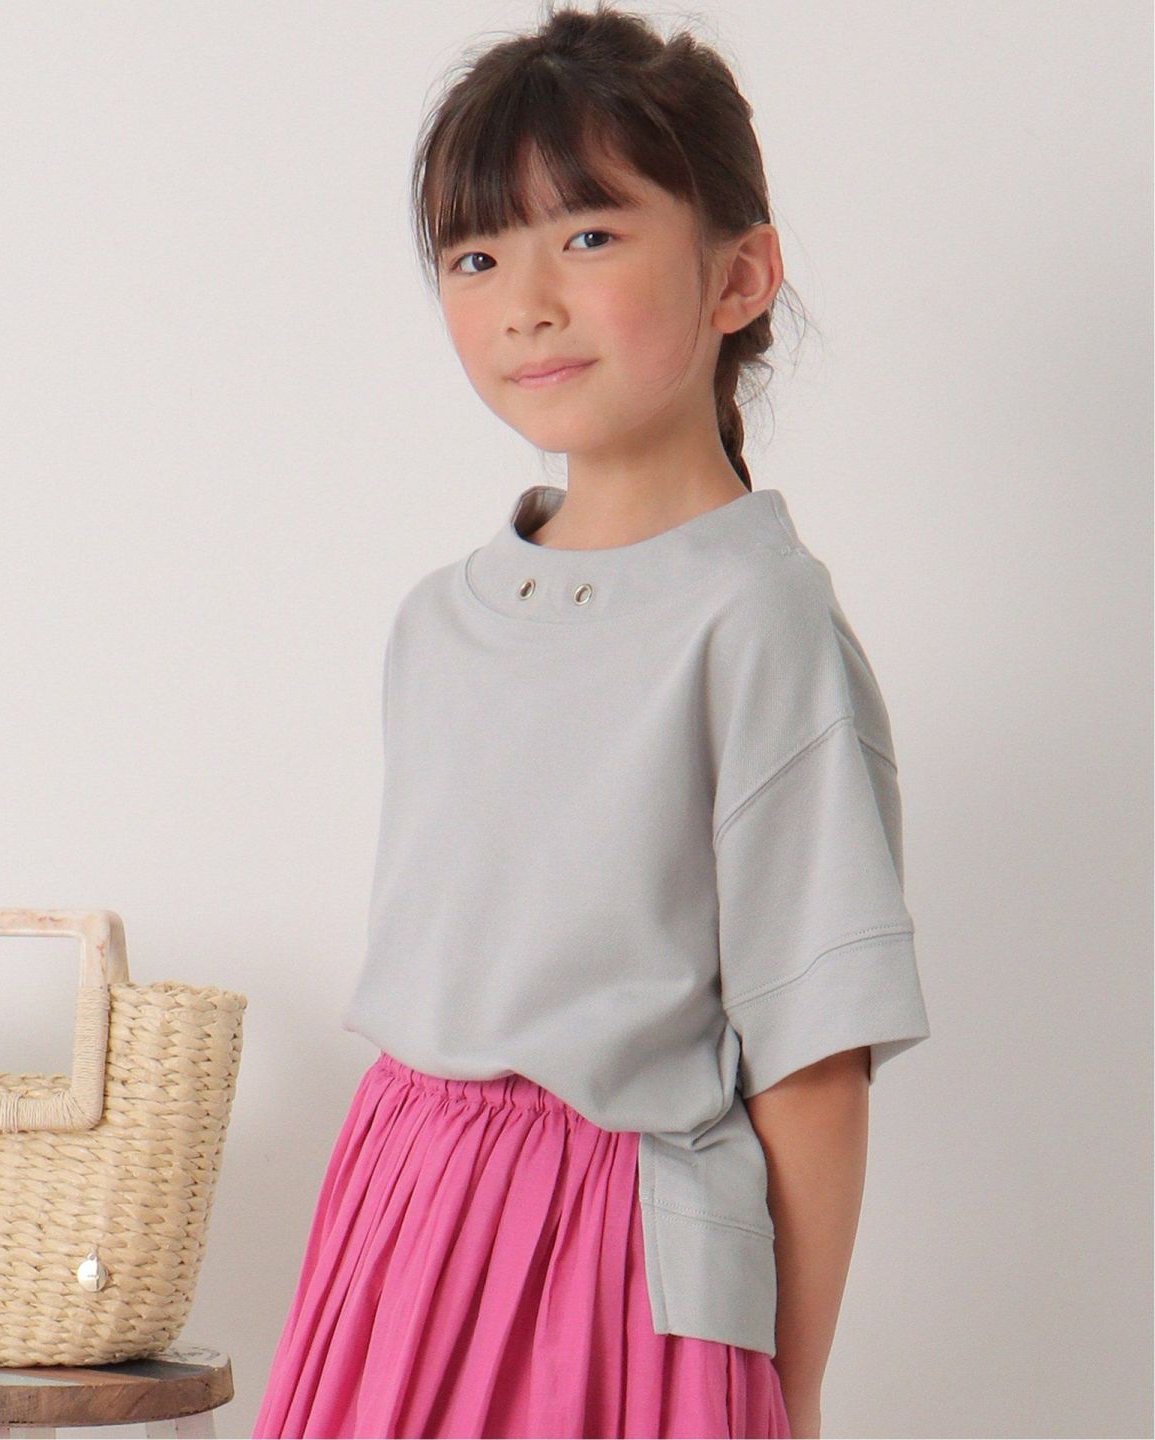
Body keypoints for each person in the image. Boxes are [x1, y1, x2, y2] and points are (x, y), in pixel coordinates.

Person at [252, 5, 931, 1438]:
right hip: (402, 1227)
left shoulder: (759, 622)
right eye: (476, 256)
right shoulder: (440, 622)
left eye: (591, 234)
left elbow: (814, 1059)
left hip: (617, 1267)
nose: (527, 300)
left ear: (739, 276)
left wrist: (788, 1388)